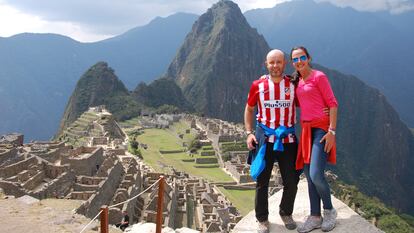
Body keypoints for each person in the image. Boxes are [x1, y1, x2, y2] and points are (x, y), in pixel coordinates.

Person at [245, 49, 300, 233]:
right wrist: (249, 132)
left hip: (288, 139)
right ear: (266, 64)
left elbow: (308, 102)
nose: (275, 66)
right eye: (272, 62)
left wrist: (324, 113)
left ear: (284, 64)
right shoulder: (257, 85)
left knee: (291, 180)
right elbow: (249, 109)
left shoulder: (294, 84)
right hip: (265, 139)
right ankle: (262, 219)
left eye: (278, 62)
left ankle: (286, 212)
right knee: (262, 180)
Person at [290, 46, 338, 233]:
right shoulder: (297, 81)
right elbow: (288, 93)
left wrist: (332, 131)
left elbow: (333, 104)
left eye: (302, 57)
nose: (299, 61)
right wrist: (265, 79)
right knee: (309, 176)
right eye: (295, 59)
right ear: (293, 62)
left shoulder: (319, 77)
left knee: (316, 174)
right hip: (306, 131)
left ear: (308, 58)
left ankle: (329, 210)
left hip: (321, 130)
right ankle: (315, 216)